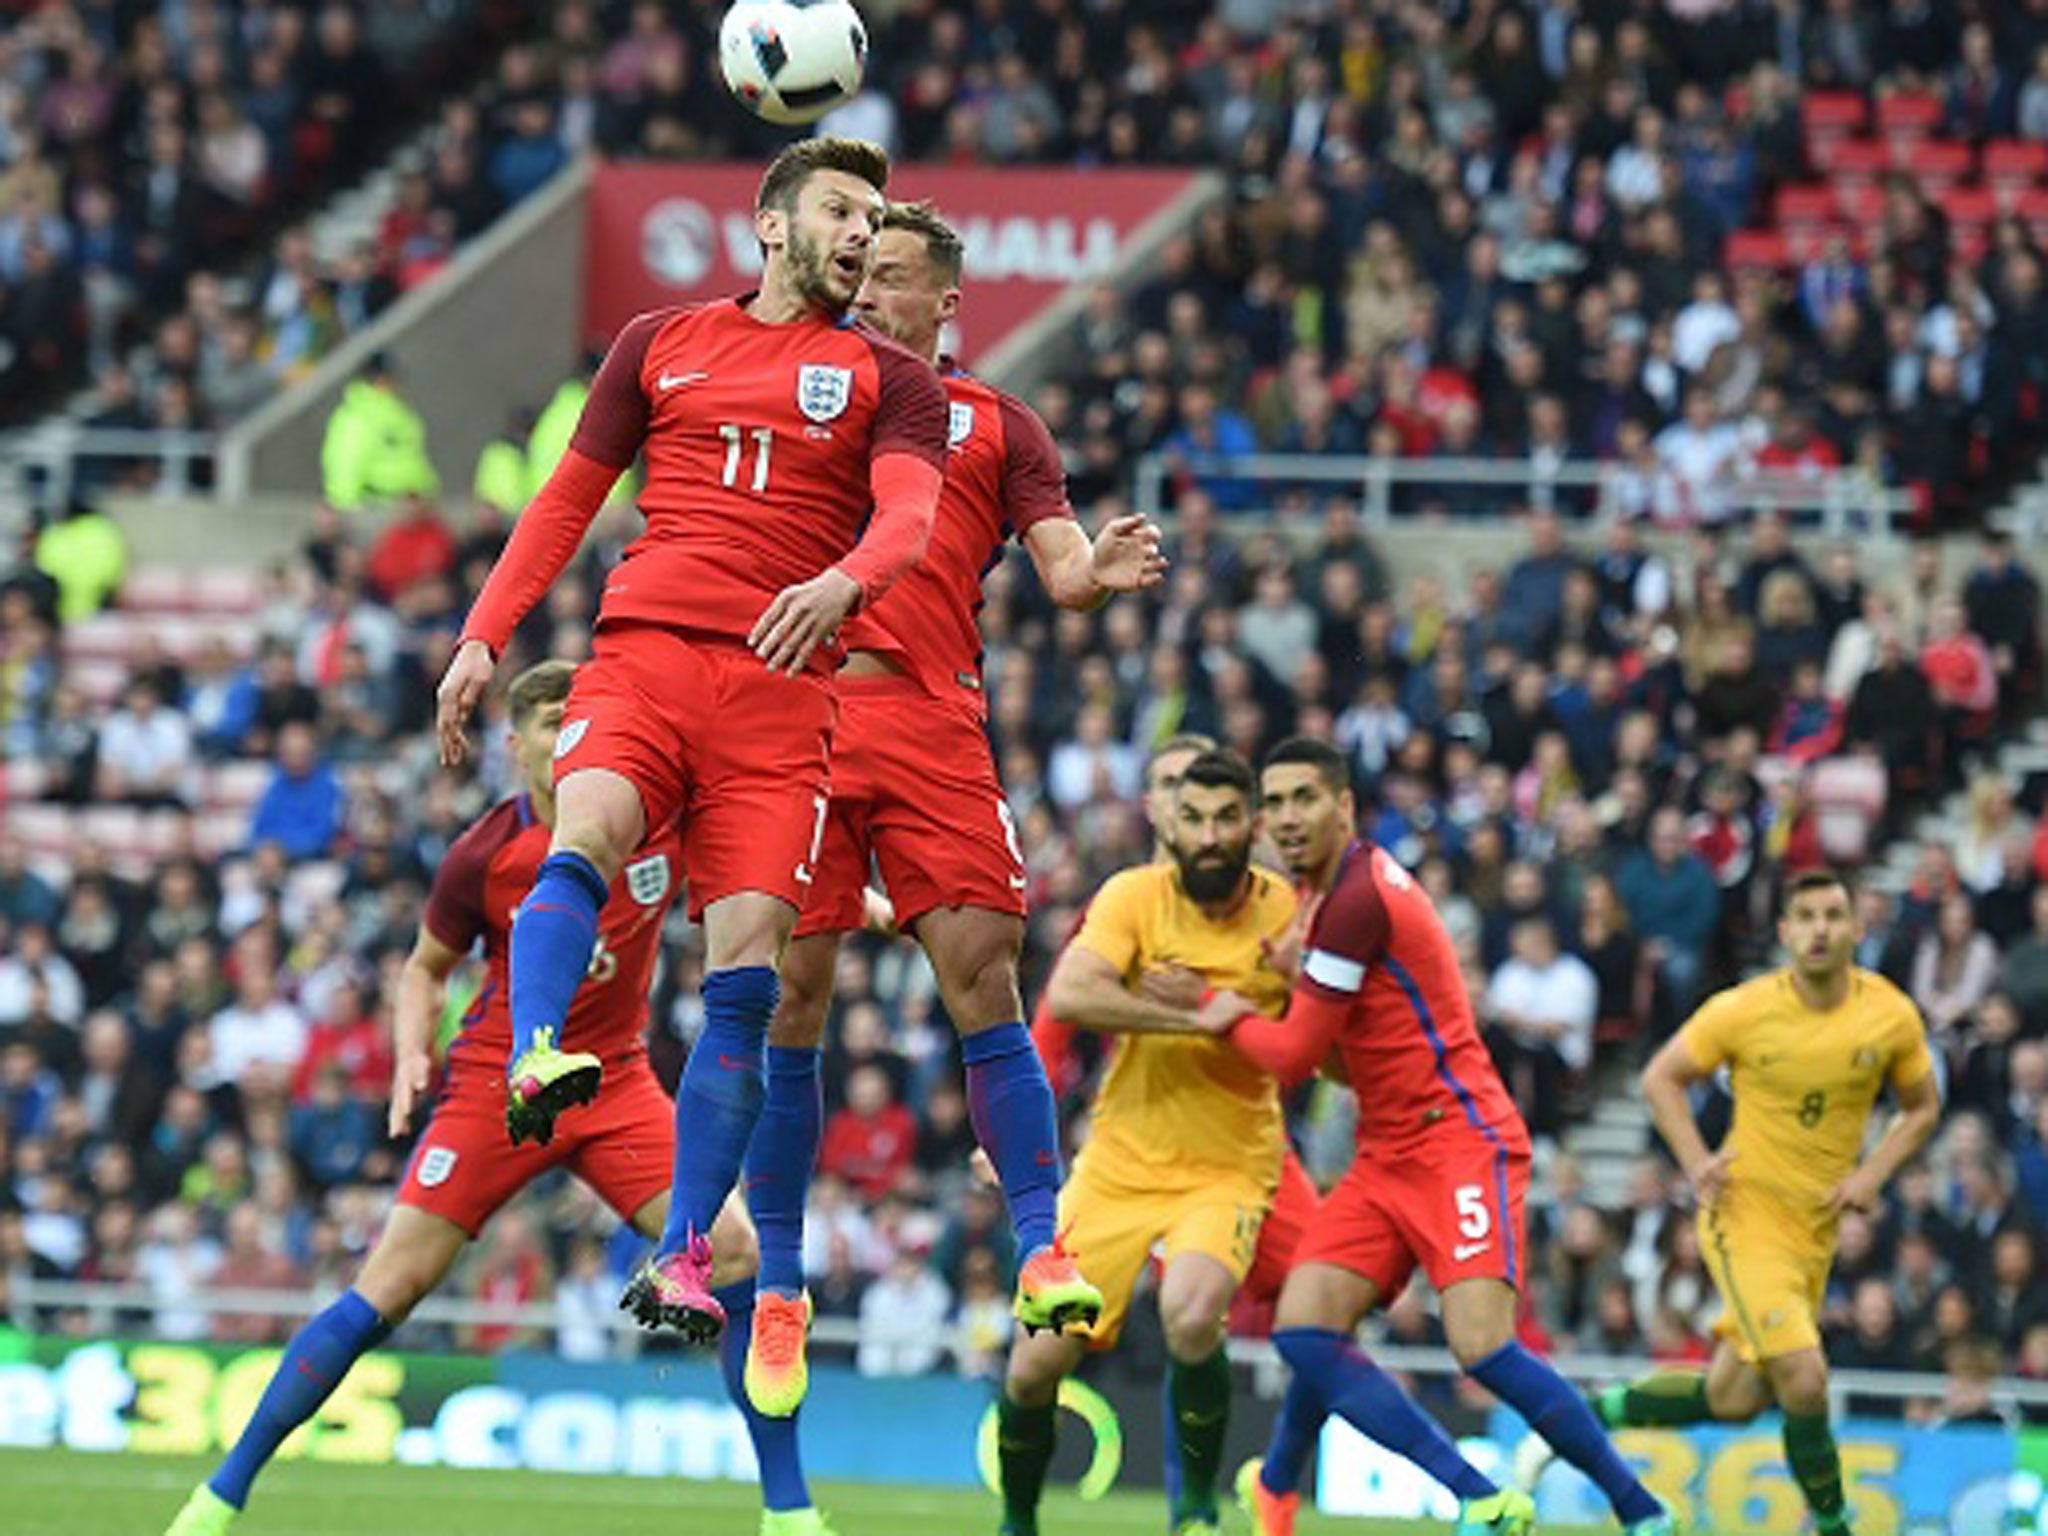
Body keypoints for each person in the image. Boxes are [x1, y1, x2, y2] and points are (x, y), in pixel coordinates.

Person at [433, 137, 948, 1342]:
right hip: (650, 651)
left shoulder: (890, 380)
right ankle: (539, 1050)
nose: (861, 233)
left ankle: (678, 1260)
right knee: (590, 828)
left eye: (872, 217)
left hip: (782, 697)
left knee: (746, 976)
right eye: (838, 209)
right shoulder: (657, 343)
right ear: (770, 225)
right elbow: (565, 501)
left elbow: (911, 523)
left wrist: (845, 583)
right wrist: (480, 635)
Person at [163, 662, 823, 1536]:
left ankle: (789, 1513)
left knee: (735, 1251)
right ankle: (220, 1497)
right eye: (551, 723)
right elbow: (424, 967)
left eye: (578, 718)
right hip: (496, 1087)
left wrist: (861, 904)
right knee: (387, 1290)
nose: (568, 736)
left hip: (617, 1080)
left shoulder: (656, 825)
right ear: (517, 747)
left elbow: (758, 877)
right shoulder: (484, 852)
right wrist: (408, 1049)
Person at [746, 201, 1165, 1416]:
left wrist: (1097, 573)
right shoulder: (805, 384)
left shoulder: (997, 423)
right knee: (794, 994)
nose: (865, 293)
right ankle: (779, 1283)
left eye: (887, 280)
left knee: (985, 976)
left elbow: (1062, 567)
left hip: (932, 721)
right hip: (805, 714)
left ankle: (1041, 1249)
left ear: (944, 303)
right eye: (855, 274)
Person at [1206, 740, 1672, 1536]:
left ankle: (1642, 1512)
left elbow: (1291, 1057)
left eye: (1303, 799)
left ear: (1344, 807)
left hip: (1460, 1141)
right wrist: (1290, 988)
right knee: (1306, 1328)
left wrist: (1219, 1014)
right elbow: (1347, 1071)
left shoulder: (1354, 900)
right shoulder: (1318, 905)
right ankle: (1281, 1495)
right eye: (1273, 802)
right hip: (1387, 1152)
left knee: (1483, 1348)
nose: (1285, 818)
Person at [1559, 869, 1940, 1536]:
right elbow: (1660, 1079)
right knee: (1805, 1374)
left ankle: (1587, 1412)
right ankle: (1832, 1524)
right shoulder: (1744, 1009)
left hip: (1814, 1232)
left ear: (1855, 927)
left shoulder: (1890, 1014)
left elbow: (1922, 1106)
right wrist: (1696, 1163)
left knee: (1732, 1399)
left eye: (1833, 915)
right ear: (1786, 931)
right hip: (1746, 1214)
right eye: (1806, 917)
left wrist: (1874, 1175)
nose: (1820, 929)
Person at [997, 749, 1297, 1536]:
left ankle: (1195, 1511)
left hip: (1229, 1161)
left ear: (1251, 825)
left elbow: (1316, 1037)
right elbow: (1071, 992)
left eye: (1225, 818)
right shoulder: (1133, 896)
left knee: (1193, 1317)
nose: (1208, 834)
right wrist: (1197, 1015)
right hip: (1120, 1162)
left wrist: (1240, 1009)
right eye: (1191, 817)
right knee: (1033, 1367)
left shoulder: (1289, 916)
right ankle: (1017, 1520)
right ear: (1167, 820)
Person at [318, 352, 440, 511]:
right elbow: (344, 463)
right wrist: (348, 508)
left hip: (413, 508)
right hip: (380, 508)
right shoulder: (357, 415)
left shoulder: (397, 411)